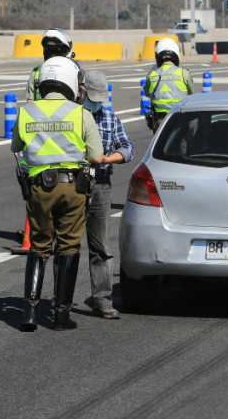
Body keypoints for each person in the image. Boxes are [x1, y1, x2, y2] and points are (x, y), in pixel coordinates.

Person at [11, 56, 110, 332]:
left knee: (40, 247)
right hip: (73, 188)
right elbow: (96, 155)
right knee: (68, 247)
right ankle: (61, 314)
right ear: (70, 82)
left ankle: (30, 312)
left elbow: (16, 146)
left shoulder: (26, 112)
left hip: (38, 188)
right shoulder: (81, 114)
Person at [80, 71, 133, 320]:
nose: (96, 102)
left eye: (100, 98)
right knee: (65, 246)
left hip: (100, 183)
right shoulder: (71, 116)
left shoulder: (110, 117)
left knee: (101, 246)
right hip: (73, 183)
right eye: (92, 96)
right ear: (81, 91)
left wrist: (107, 158)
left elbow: (127, 147)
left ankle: (102, 300)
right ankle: (60, 301)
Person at [145, 38, 195, 132]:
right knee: (184, 143)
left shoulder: (151, 75)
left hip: (160, 120)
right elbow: (191, 93)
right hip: (180, 118)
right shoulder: (184, 73)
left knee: (162, 146)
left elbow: (147, 93)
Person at [26, 28, 80, 102]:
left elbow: (30, 104)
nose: (52, 55)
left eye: (57, 51)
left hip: (40, 113)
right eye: (49, 50)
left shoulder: (36, 72)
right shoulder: (75, 70)